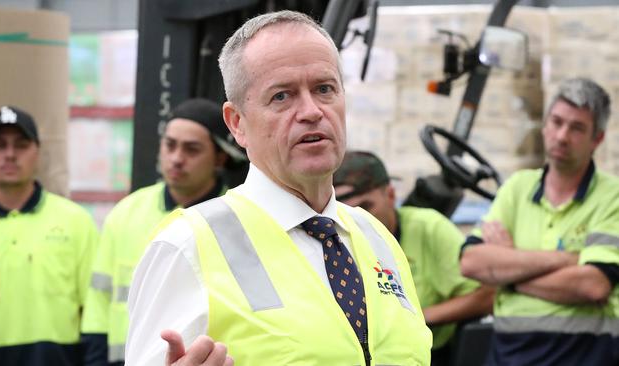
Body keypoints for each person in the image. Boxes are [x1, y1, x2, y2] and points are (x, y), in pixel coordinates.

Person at [125, 10, 432, 366]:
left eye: (324, 89)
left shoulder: (376, 237)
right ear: (237, 123)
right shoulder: (188, 246)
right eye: (282, 97)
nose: (312, 111)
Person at [460, 77, 619, 365]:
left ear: (598, 139)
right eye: (556, 122)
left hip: (584, 355)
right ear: (545, 125)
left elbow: (592, 285)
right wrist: (568, 259)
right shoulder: (517, 187)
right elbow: (471, 262)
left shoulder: (612, 198)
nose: (561, 136)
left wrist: (507, 271)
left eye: (577, 128)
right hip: (508, 354)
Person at [80, 98, 246, 366]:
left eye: (192, 149)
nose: (177, 158)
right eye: (170, 145)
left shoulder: (240, 219)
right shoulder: (126, 212)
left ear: (220, 157)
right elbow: (99, 305)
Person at [333, 150, 494, 365]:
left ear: (390, 195)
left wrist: (416, 318)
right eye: (345, 211)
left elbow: (487, 296)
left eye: (365, 206)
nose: (356, 218)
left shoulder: (429, 228)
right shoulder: (329, 240)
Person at [0, 106, 99, 365]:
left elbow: (96, 312)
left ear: (37, 152)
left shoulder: (76, 222)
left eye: (21, 145)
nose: (9, 154)